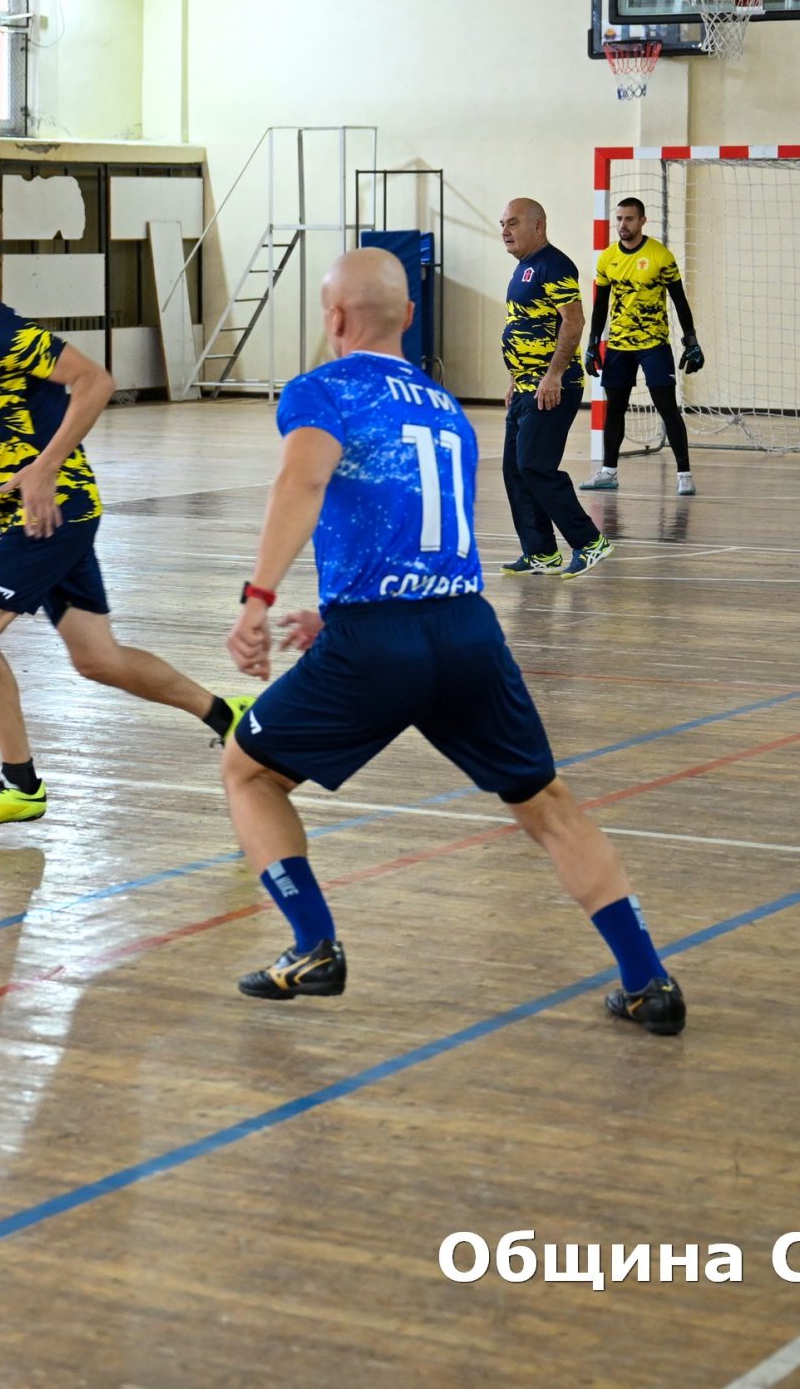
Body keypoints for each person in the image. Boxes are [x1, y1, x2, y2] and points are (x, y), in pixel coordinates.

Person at [220, 248, 685, 1034]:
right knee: (548, 805)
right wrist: (335, 609)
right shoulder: (445, 406)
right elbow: (425, 529)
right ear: (408, 316)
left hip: (378, 644)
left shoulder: (322, 389)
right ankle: (648, 979)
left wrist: (257, 599)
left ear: (334, 318)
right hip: (466, 631)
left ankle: (313, 944)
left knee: (248, 770)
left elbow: (302, 480)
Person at [0, 227, 250, 825]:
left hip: (48, 514)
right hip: (46, 517)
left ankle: (21, 785)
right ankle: (229, 717)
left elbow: (95, 381)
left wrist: (44, 467)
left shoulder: (6, 334)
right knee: (98, 659)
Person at [496, 197, 609, 577]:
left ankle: (589, 542)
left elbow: (573, 322)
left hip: (553, 388)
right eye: (502, 224)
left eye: (513, 223)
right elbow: (524, 327)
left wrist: (554, 375)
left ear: (538, 225)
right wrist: (515, 378)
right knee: (515, 470)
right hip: (526, 386)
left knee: (535, 466)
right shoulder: (523, 269)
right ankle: (540, 551)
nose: (505, 231)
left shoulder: (554, 265)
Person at [582, 195, 702, 496]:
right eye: (619, 218)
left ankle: (684, 474)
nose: (623, 224)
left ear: (642, 221)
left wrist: (691, 339)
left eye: (629, 219)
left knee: (667, 408)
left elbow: (679, 300)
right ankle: (608, 472)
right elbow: (600, 304)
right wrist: (593, 343)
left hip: (654, 344)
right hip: (619, 345)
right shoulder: (607, 258)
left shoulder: (660, 256)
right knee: (615, 409)